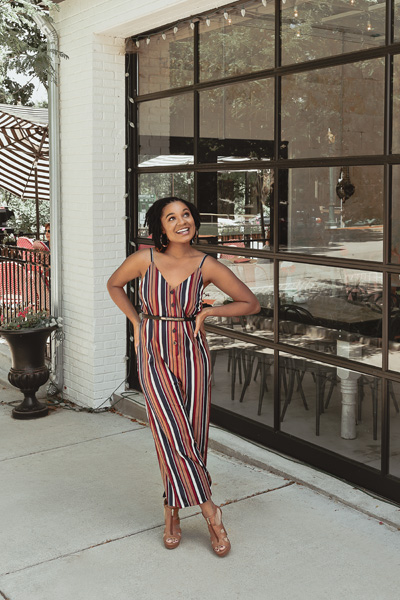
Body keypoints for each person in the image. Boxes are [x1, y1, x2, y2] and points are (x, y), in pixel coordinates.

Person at [107, 197, 260, 557]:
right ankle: (210, 512)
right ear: (160, 226)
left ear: (195, 220)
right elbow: (114, 285)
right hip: (154, 353)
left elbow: (250, 303)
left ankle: (172, 511)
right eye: (171, 217)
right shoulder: (144, 260)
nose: (181, 222)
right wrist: (137, 322)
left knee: (191, 436)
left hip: (193, 355)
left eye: (186, 214)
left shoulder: (207, 264)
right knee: (170, 430)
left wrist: (210, 313)